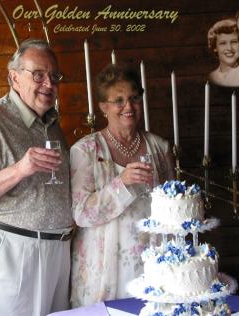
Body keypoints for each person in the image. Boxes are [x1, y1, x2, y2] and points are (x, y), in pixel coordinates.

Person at [0, 38, 73, 316]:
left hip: (56, 250)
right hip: (12, 251)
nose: (49, 84)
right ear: (14, 78)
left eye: (54, 76)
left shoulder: (52, 124)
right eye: (39, 75)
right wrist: (20, 169)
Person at [70, 63, 174, 307]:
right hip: (103, 268)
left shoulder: (160, 147)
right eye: (119, 100)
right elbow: (81, 213)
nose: (128, 107)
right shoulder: (85, 150)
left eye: (134, 98)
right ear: (103, 107)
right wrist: (122, 183)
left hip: (152, 263)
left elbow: (173, 206)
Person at [207, 18, 239, 87]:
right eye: (223, 43)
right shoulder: (212, 77)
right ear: (215, 47)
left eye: (234, 42)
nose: (229, 48)